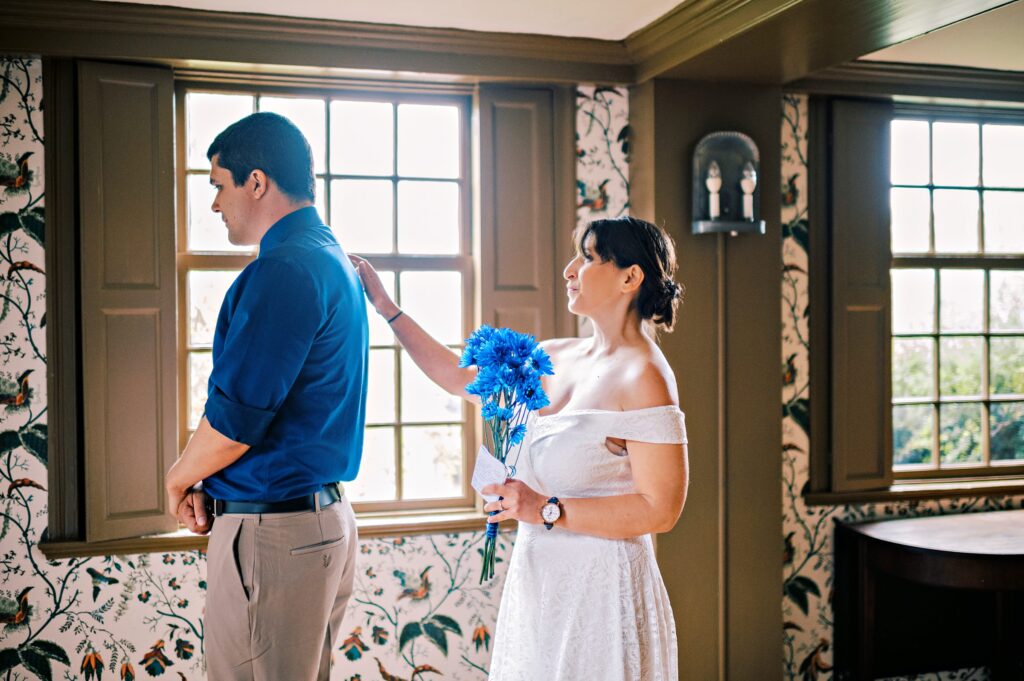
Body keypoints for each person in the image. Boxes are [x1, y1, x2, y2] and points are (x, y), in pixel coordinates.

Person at [351, 215, 689, 680]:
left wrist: (544, 508)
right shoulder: (555, 355)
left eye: (587, 259)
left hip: (603, 594)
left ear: (631, 277)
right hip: (539, 583)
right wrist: (385, 305)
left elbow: (660, 509)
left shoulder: (646, 376)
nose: (569, 270)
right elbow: (457, 377)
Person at [165, 112, 369, 681]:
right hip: (317, 524)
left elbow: (235, 422)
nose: (214, 205)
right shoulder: (332, 259)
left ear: (256, 182)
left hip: (274, 536)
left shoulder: (283, 270)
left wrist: (178, 478)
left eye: (217, 185)